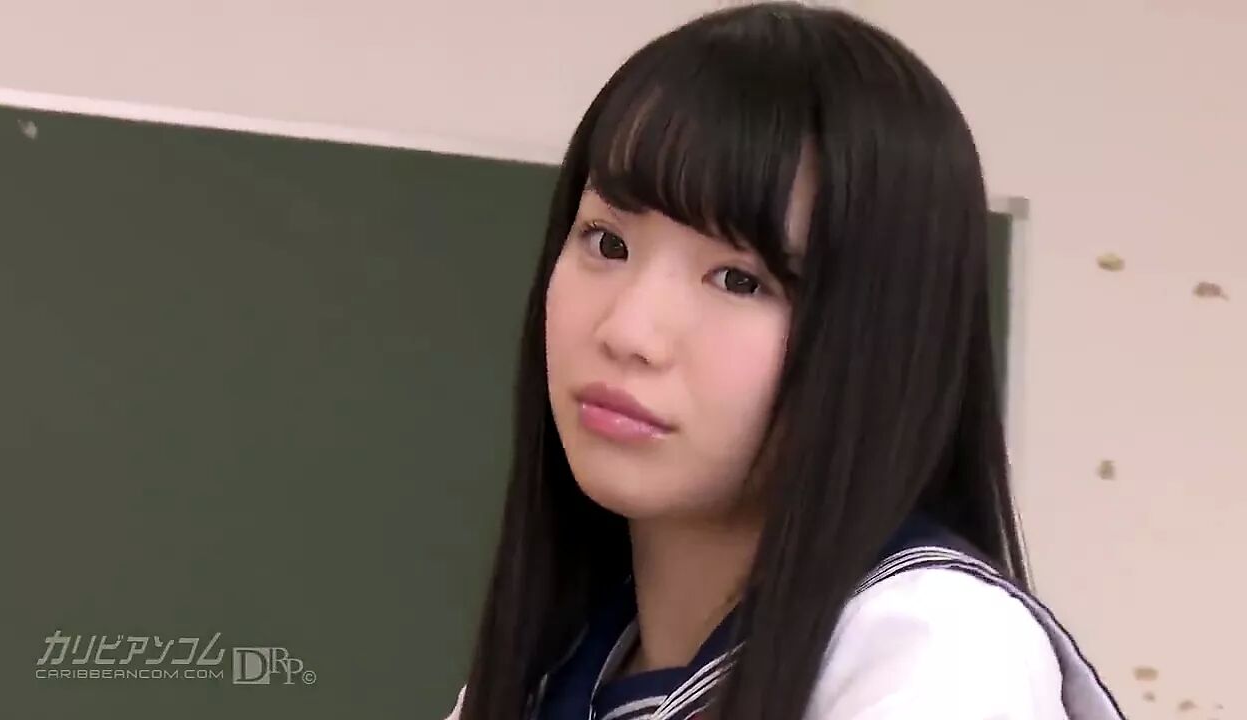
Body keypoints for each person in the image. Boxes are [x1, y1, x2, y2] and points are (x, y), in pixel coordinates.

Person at [447, 3, 1122, 719]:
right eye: (607, 242)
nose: (628, 331)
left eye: (739, 280)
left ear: (882, 339)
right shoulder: (549, 674)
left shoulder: (942, 653)